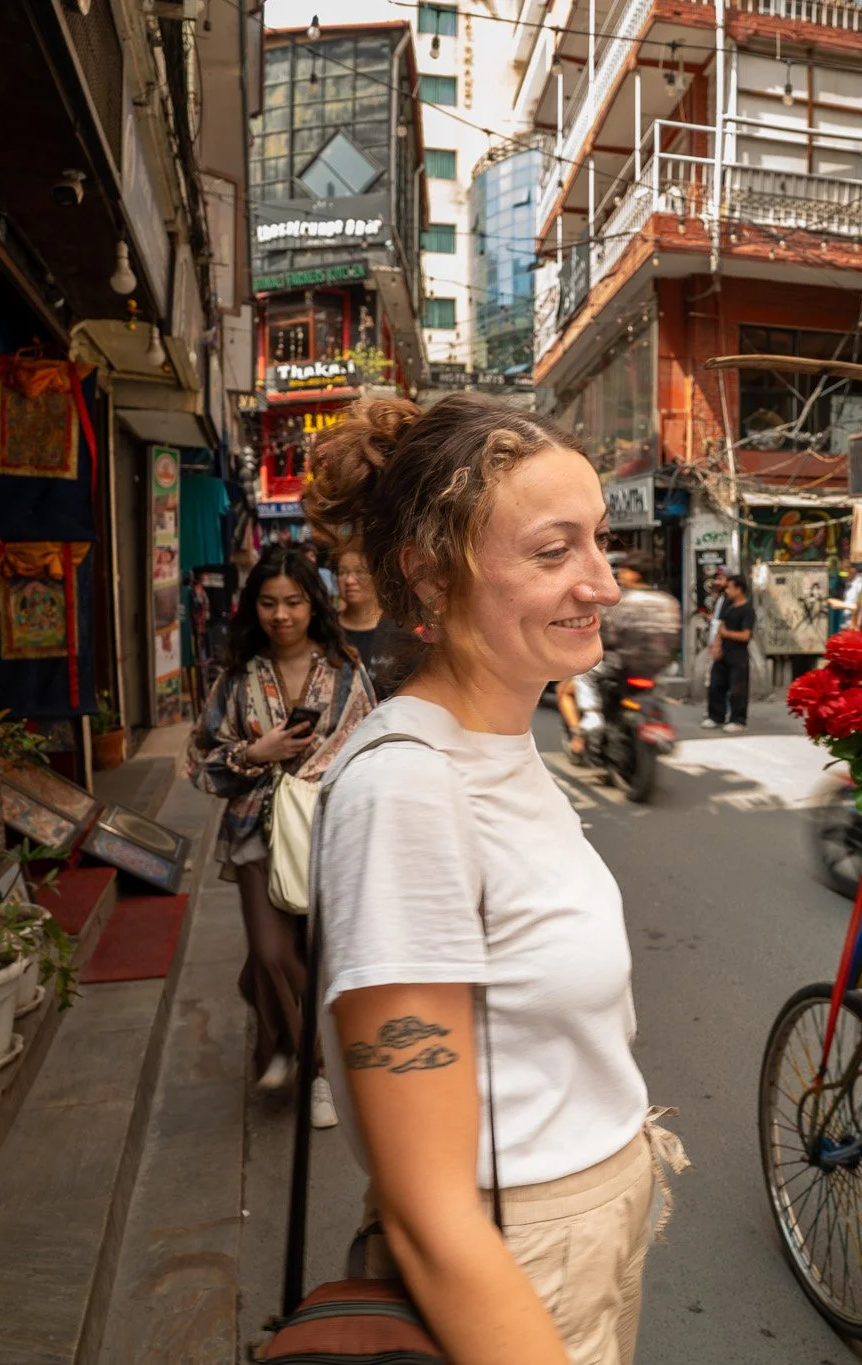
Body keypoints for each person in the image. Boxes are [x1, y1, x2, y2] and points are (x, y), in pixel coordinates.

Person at [304, 394, 685, 1365]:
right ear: (430, 577)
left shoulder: (502, 743)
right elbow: (429, 1214)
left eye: (597, 542)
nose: (599, 582)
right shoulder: (408, 790)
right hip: (514, 1269)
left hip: (582, 1237)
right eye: (552, 552)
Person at [188, 543, 375, 1130]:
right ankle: (318, 1069)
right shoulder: (239, 676)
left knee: (317, 955)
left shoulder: (343, 669)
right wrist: (255, 753)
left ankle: (277, 1036)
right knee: (274, 952)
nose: (281, 615)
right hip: (256, 833)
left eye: (293, 601)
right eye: (268, 603)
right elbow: (199, 760)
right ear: (254, 608)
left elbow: (372, 744)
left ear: (311, 602)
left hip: (329, 833)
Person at [559, 553, 682, 760]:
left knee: (574, 683)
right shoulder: (668, 602)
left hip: (621, 667)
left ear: (634, 575)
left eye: (625, 571)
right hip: (657, 668)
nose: (621, 575)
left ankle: (591, 718)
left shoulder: (620, 601)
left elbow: (606, 635)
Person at [334, 545, 417, 699]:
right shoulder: (327, 629)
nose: (349, 580)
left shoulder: (400, 631)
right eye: (342, 572)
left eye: (360, 571)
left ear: (377, 576)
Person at [703, 573, 753, 732]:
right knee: (716, 685)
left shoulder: (747, 610)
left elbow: (746, 635)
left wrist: (726, 634)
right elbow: (720, 628)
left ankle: (738, 720)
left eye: (730, 588)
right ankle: (716, 716)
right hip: (723, 652)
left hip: (738, 655)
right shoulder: (728, 607)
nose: (728, 591)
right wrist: (716, 646)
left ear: (739, 589)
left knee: (737, 689)